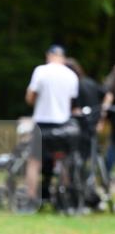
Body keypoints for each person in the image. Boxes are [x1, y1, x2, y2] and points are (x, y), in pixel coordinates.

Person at [24, 45, 79, 205]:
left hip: (42, 123)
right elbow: (71, 102)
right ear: (63, 57)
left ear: (48, 55)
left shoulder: (41, 71)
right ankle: (64, 198)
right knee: (63, 161)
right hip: (63, 125)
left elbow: (30, 97)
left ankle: (31, 198)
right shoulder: (71, 75)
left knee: (34, 162)